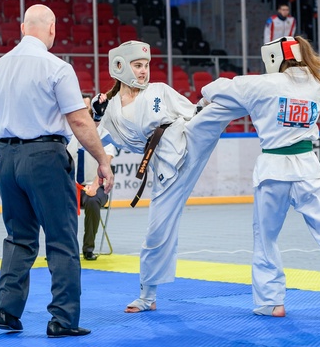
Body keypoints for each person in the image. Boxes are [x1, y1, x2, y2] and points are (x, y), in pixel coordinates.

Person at [198, 36, 320, 318]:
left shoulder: (261, 84)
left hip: (273, 170)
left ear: (274, 58)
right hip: (309, 168)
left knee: (266, 239)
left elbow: (216, 87)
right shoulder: (315, 84)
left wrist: (208, 97)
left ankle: (272, 302)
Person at [0, 4, 114, 338]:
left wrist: (3, 158)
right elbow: (79, 120)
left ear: (22, 28)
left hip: (6, 156)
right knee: (61, 237)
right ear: (52, 28)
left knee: (18, 237)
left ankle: (6, 311)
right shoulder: (56, 67)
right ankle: (63, 319)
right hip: (44, 157)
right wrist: (102, 159)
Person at [91, 40, 229, 313]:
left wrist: (205, 104)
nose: (144, 71)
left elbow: (192, 112)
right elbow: (98, 139)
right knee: (156, 233)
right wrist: (97, 114)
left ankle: (253, 93)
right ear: (120, 66)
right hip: (165, 171)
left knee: (218, 105)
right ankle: (147, 297)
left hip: (187, 139)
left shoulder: (159, 90)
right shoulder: (110, 109)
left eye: (146, 65)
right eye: (137, 65)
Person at [67, 95, 118, 261]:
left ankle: (88, 248)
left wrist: (95, 186)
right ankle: (62, 248)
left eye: (87, 108)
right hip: (71, 187)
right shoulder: (67, 133)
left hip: (96, 186)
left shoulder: (104, 135)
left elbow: (106, 163)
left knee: (92, 200)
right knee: (56, 201)